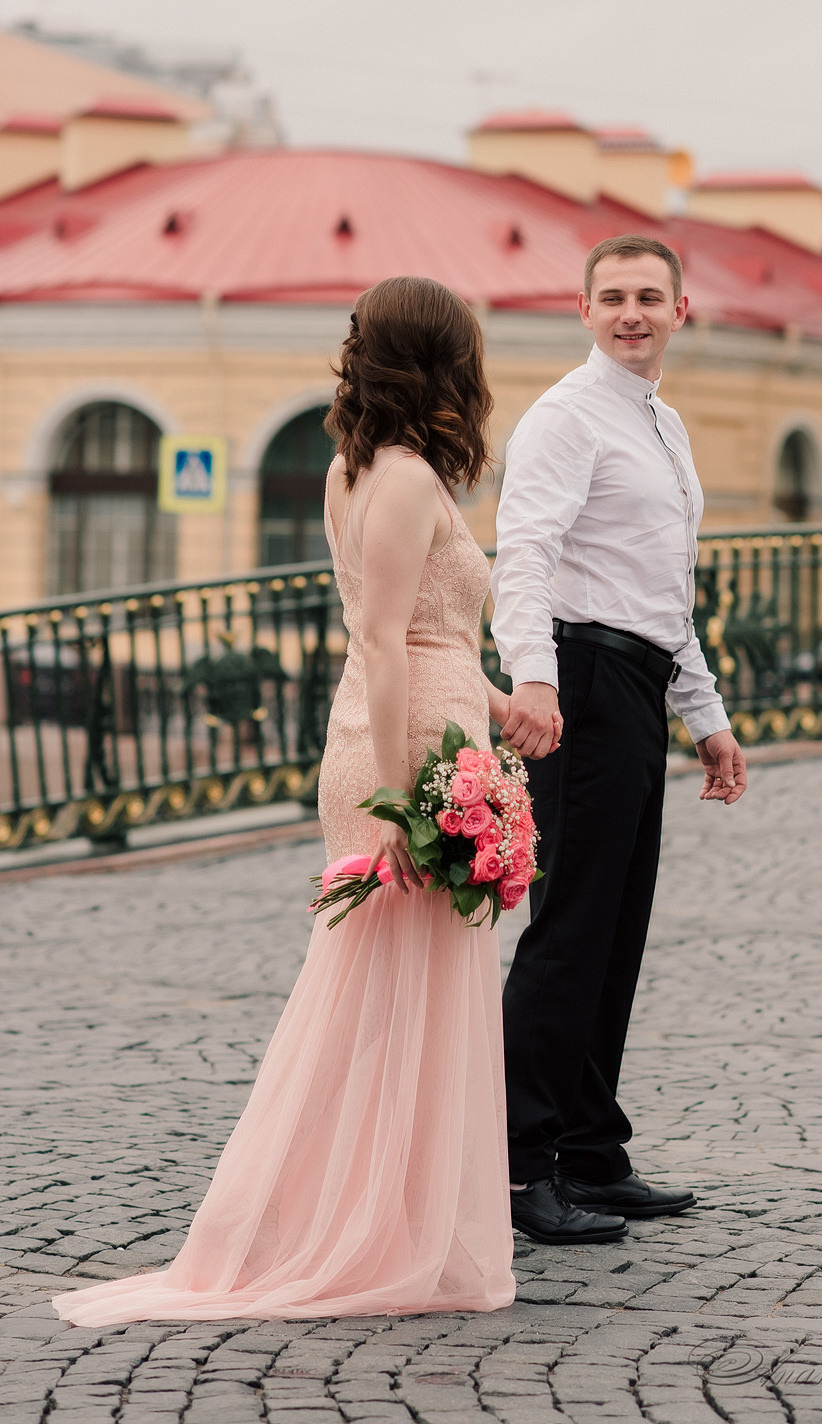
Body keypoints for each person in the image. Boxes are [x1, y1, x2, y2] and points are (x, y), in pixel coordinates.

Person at [53, 276, 544, 1324]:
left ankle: (384, 1217)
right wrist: (403, 795)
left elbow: (417, 629)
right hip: (405, 747)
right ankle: (374, 1232)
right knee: (397, 993)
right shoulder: (406, 478)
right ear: (443, 364)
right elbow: (382, 638)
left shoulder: (354, 469)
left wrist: (495, 702)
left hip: (421, 723)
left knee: (391, 998)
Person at [492, 233, 748, 1247]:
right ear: (584, 309)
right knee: (568, 932)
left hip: (634, 681)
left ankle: (590, 1152)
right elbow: (526, 554)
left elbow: (663, 592)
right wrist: (534, 679)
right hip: (580, 682)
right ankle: (517, 1169)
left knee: (615, 931)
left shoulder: (662, 423)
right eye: (612, 297)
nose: (631, 312)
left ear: (682, 309)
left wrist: (707, 717)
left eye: (649, 296)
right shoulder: (564, 417)